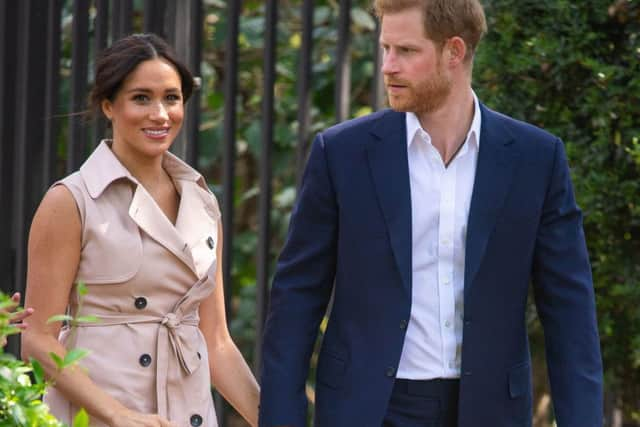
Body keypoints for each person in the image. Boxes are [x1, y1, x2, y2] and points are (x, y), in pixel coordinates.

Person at [258, 0, 603, 426]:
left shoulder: (536, 159)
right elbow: (296, 299)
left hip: (489, 410)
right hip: (368, 409)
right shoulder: (342, 154)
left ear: (453, 52)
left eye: (406, 51)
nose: (388, 66)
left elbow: (569, 310)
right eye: (385, 48)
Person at [22, 33, 259, 427]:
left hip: (188, 410)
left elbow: (217, 341)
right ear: (108, 105)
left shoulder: (202, 202)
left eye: (172, 97)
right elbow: (38, 339)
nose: (161, 114)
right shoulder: (71, 200)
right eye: (141, 98)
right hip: (101, 412)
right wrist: (120, 416)